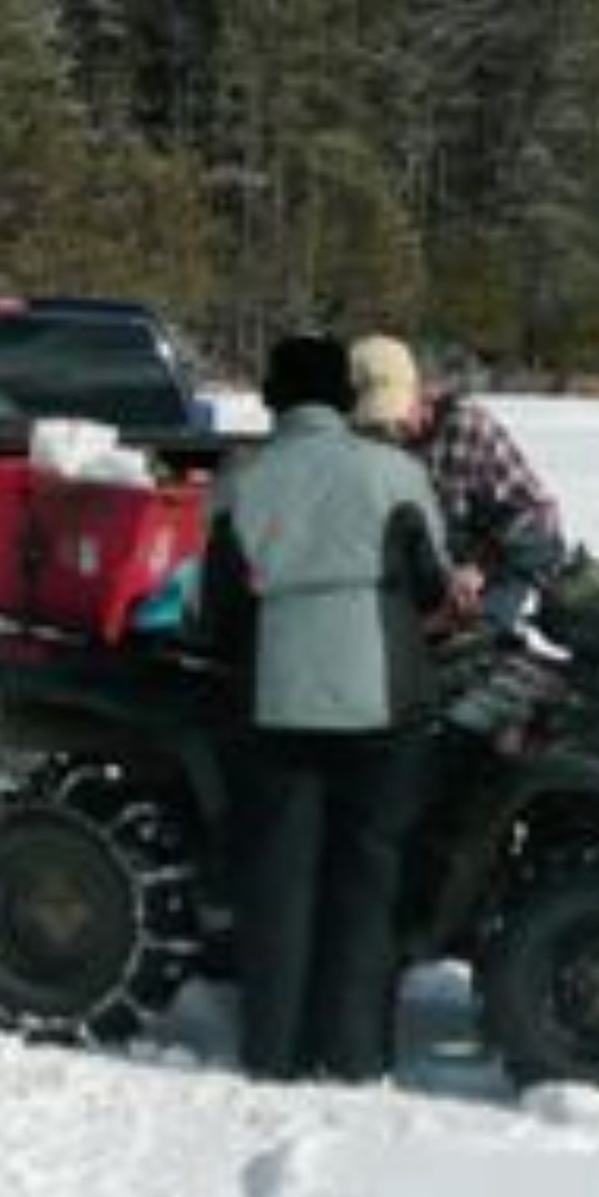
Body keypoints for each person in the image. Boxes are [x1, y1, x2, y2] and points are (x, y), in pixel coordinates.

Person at [208, 332, 455, 1085]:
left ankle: (272, 1050)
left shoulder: (242, 481)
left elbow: (215, 607)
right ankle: (353, 1054)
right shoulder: (396, 473)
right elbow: (433, 589)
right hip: (383, 706)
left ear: (274, 400)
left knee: (277, 877)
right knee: (368, 876)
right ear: (347, 400)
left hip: (276, 702)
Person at [348, 335, 566, 636]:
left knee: (470, 650)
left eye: (396, 416)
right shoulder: (356, 443)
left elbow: (541, 517)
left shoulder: (468, 427)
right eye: (376, 422)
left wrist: (479, 570)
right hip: (409, 579)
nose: (390, 430)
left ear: (418, 391)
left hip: (483, 575)